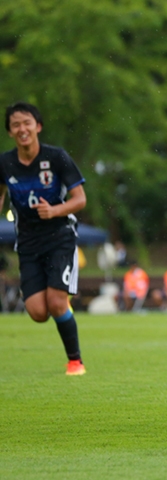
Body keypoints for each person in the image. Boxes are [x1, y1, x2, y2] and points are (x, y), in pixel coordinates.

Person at [0, 102, 87, 375]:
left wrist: (54, 211)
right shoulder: (4, 163)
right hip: (27, 242)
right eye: (16, 125)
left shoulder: (57, 157)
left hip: (60, 236)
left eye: (27, 122)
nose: (22, 129)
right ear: (10, 132)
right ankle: (59, 301)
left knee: (56, 303)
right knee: (38, 312)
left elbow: (80, 199)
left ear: (37, 126)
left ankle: (75, 362)